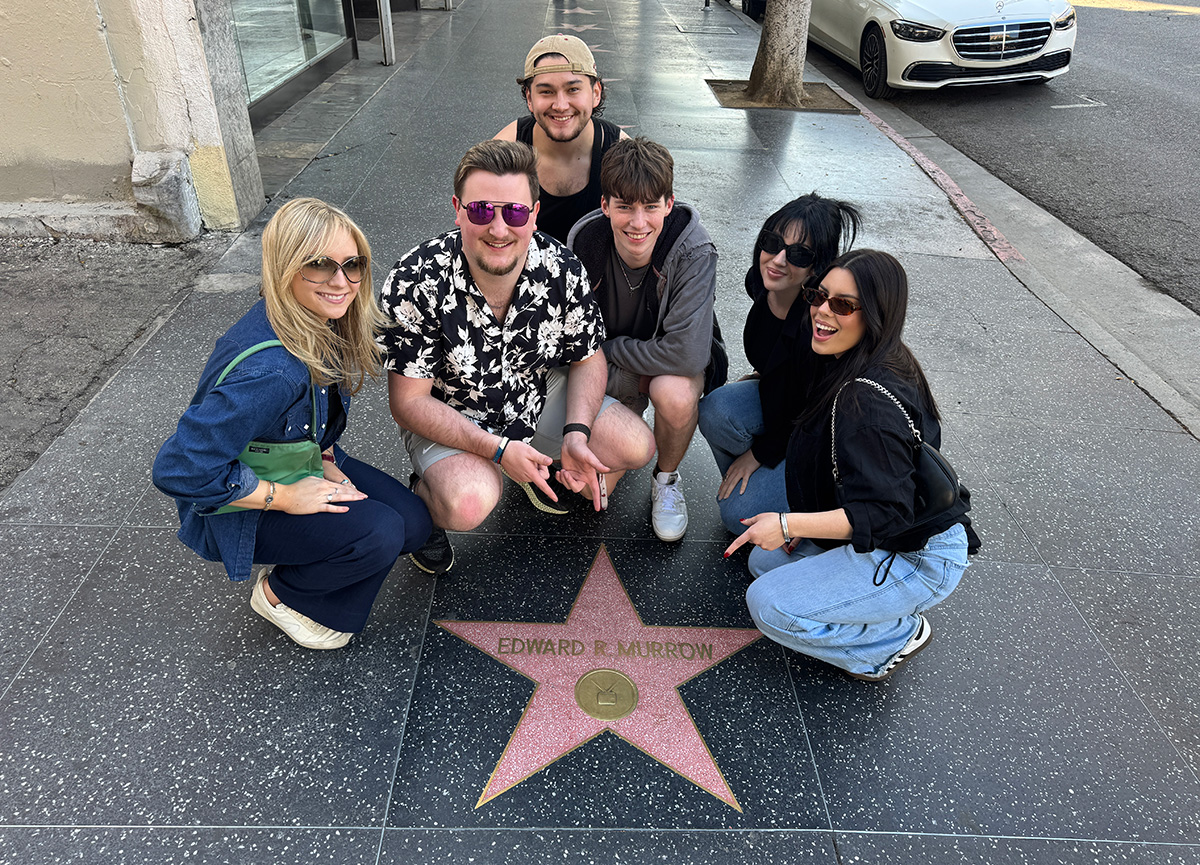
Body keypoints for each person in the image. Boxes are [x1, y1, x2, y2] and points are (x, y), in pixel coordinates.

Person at [153, 198, 432, 650]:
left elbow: (306, 421)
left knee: (413, 523)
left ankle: (311, 556)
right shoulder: (273, 372)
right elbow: (179, 469)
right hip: (233, 502)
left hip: (290, 459)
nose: (341, 282)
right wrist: (285, 498)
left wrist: (325, 461)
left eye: (352, 264)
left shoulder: (320, 321)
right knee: (380, 532)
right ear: (285, 267)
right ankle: (280, 596)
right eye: (320, 266)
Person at [379, 140, 655, 575]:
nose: (499, 229)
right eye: (482, 211)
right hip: (451, 413)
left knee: (637, 444)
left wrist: (577, 433)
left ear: (534, 214)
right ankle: (423, 501)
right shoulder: (416, 278)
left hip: (535, 395)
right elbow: (409, 402)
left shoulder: (561, 266)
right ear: (458, 209)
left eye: (515, 212)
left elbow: (587, 357)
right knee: (468, 502)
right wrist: (497, 448)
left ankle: (545, 457)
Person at [724, 249, 977, 682]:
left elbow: (885, 513)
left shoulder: (866, 400)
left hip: (915, 556)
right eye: (819, 296)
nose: (823, 311)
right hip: (888, 532)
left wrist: (788, 525)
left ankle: (893, 637)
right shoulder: (863, 360)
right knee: (763, 565)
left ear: (875, 314)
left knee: (770, 605)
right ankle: (871, 608)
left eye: (843, 304)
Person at [567, 137, 720, 542]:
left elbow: (686, 354)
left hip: (656, 361)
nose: (638, 222)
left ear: (668, 205)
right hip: (608, 365)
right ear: (605, 205)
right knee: (589, 492)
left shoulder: (694, 250)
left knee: (674, 393)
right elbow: (571, 336)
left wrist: (613, 352)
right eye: (625, 207)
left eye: (651, 207)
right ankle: (622, 424)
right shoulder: (584, 242)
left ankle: (666, 479)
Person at [698, 193, 861, 534]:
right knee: (715, 409)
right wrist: (764, 373)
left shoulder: (817, 327)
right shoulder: (761, 283)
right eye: (772, 242)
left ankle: (803, 513)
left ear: (817, 267)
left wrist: (759, 453)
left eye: (799, 254)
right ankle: (758, 489)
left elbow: (816, 412)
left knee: (735, 517)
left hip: (820, 440)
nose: (778, 259)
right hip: (786, 410)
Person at [495, 33, 628, 243]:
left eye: (573, 89)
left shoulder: (622, 155)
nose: (560, 105)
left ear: (595, 93)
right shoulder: (502, 152)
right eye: (546, 91)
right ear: (529, 98)